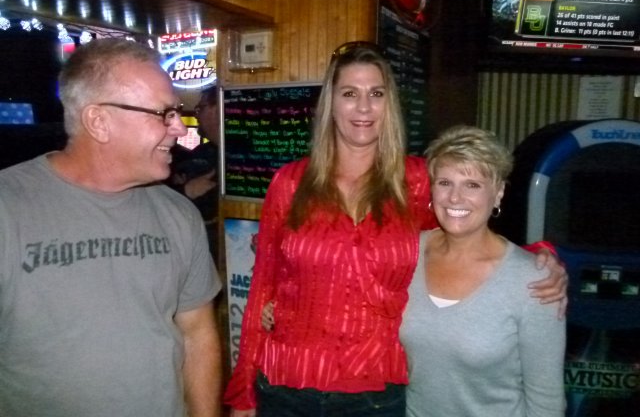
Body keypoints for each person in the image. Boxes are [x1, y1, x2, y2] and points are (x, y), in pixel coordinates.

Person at [224, 42, 567, 417]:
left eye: (376, 94)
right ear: (330, 104)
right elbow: (262, 286)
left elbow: (465, 227)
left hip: (375, 392)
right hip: (286, 384)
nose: (364, 107)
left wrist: (535, 258)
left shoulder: (417, 182)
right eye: (350, 94)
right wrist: (243, 395)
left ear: (390, 104)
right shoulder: (290, 183)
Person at [0, 38, 223, 417]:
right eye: (164, 113)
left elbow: (197, 334)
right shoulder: (8, 207)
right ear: (99, 122)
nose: (177, 127)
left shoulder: (177, 213)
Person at [400, 125, 566, 416]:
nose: (455, 198)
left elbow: (546, 399)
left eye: (472, 185)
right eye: (445, 182)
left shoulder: (533, 280)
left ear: (498, 192)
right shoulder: (404, 254)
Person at [169, 85, 220, 257]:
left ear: (218, 109)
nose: (196, 115)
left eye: (201, 108)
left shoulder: (245, 155)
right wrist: (185, 191)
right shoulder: (192, 154)